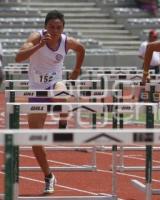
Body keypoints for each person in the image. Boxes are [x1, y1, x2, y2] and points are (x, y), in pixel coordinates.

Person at [15, 10, 85, 194]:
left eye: (58, 27)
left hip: (55, 83)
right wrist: (39, 45)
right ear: (45, 26)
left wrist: (77, 69)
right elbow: (18, 57)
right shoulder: (36, 37)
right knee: (35, 139)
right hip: (36, 89)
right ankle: (48, 176)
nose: (54, 31)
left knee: (61, 89)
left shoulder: (66, 41)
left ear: (63, 29)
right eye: (51, 27)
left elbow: (81, 49)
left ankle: (62, 121)